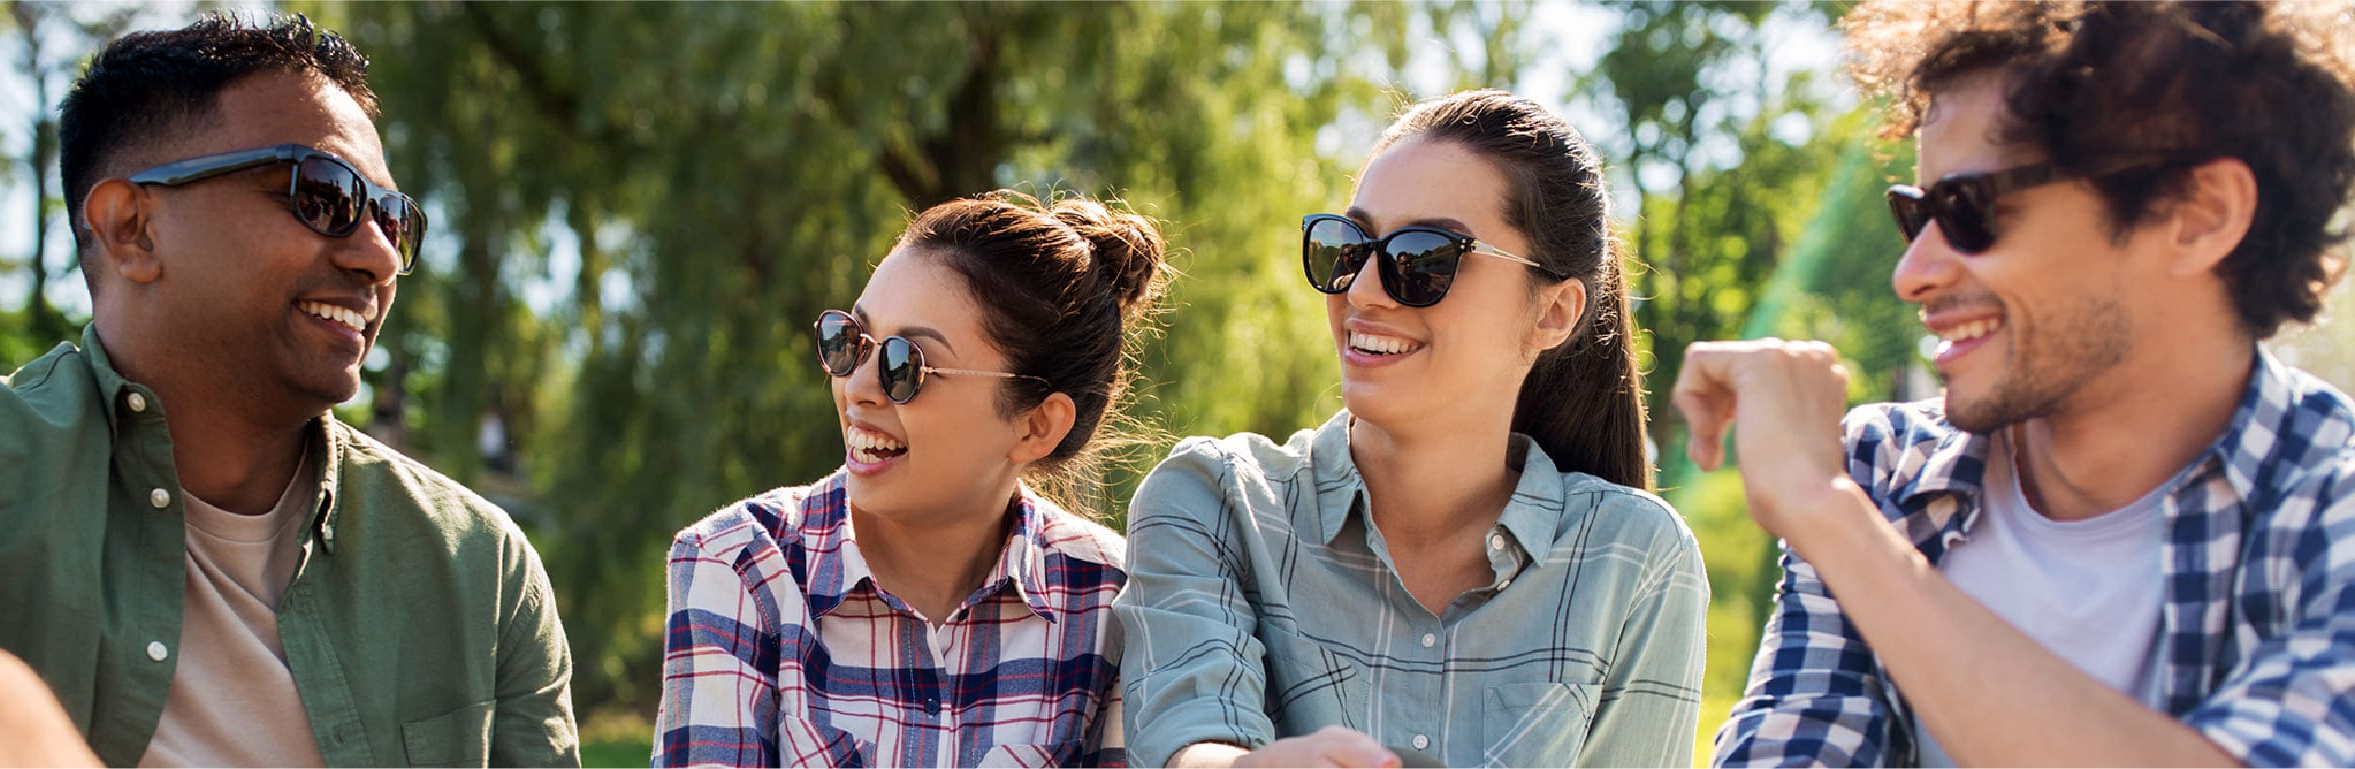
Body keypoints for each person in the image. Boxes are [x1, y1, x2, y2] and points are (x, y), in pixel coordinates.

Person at [0, 13, 580, 767]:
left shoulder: (481, 566)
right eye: (325, 194)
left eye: (394, 220)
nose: (377, 256)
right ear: (132, 228)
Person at [1694, 2, 2355, 765]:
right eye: (1917, 214)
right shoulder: (1882, 472)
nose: (1911, 275)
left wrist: (1830, 519)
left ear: (2197, 215)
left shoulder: (2329, 509)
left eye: (1970, 209)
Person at [1114, 89, 1709, 769]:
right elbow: (1188, 739)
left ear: (1554, 312)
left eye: (1424, 258)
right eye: (1349, 247)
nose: (1362, 292)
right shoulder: (1213, 499)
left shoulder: (1635, 558)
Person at [653, 191, 1171, 767]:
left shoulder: (1114, 604)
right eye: (849, 342)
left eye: (907, 365)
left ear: (1036, 426)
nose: (858, 388)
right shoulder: (738, 568)